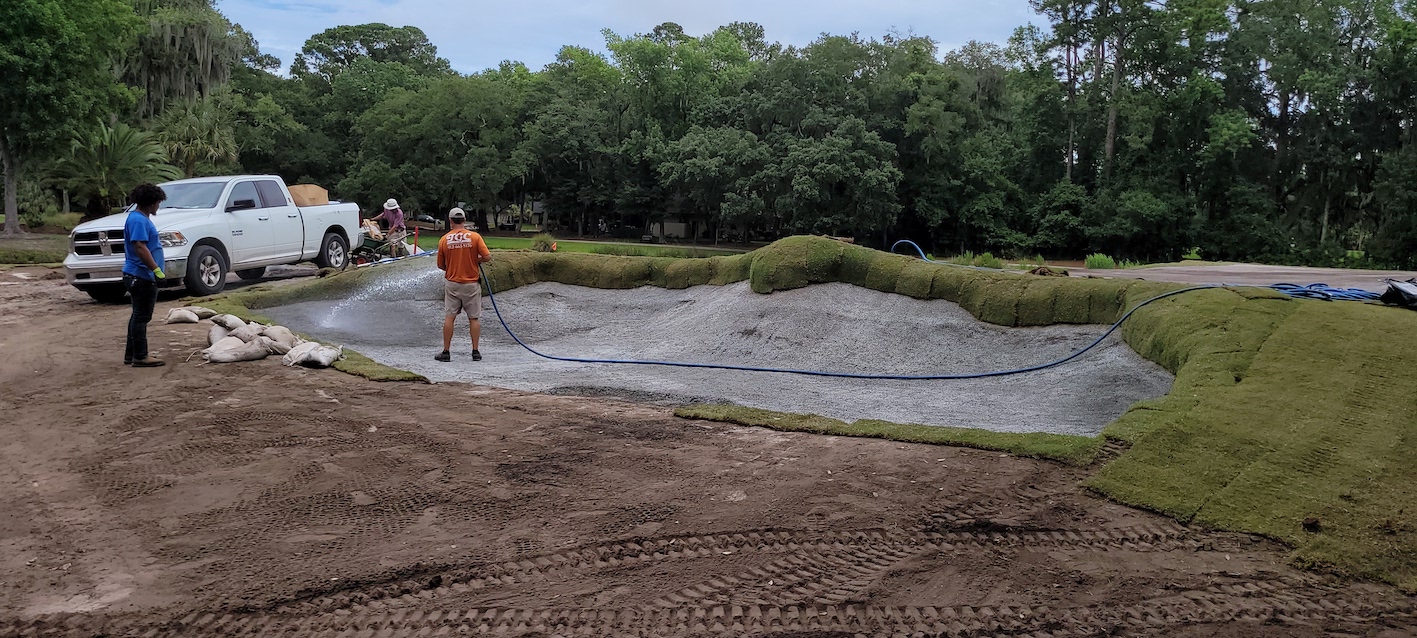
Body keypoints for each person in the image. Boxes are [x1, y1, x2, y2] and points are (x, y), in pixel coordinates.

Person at [435, 208, 492, 362]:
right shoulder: (475, 237)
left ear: (451, 221)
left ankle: (446, 352)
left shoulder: (444, 240)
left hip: (452, 283)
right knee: (473, 318)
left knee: (450, 317)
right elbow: (487, 256)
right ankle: (475, 351)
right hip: (471, 284)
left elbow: (440, 264)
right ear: (464, 220)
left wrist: (453, 267)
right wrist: (475, 260)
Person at [122, 183, 169, 367]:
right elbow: (140, 247)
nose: (159, 206)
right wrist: (156, 270)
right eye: (158, 202)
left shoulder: (137, 218)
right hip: (141, 275)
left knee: (137, 316)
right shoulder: (139, 221)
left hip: (137, 274)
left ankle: (131, 354)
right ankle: (141, 356)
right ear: (151, 202)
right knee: (142, 317)